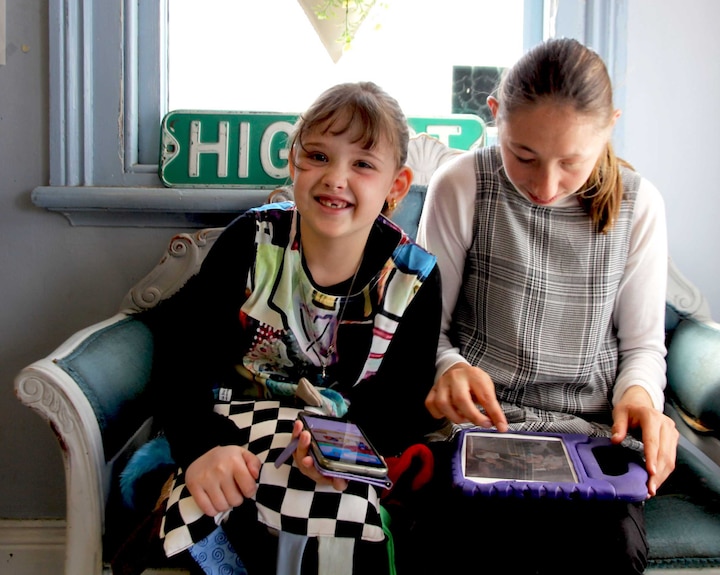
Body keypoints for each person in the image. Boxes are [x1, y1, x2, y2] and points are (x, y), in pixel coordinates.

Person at [138, 82, 442, 574]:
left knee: (343, 524)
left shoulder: (412, 279)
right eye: (318, 156)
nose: (335, 178)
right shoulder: (251, 243)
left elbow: (401, 402)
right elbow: (182, 356)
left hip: (345, 442)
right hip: (235, 425)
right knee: (207, 509)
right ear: (294, 162)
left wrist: (344, 455)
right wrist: (202, 449)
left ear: (397, 186)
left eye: (362, 164)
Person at [408, 38, 679, 574]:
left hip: (590, 440)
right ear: (494, 117)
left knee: (607, 552)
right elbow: (423, 331)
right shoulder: (462, 184)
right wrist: (449, 366)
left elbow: (643, 345)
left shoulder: (639, 204)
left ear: (610, 129)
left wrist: (641, 395)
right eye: (523, 156)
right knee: (453, 541)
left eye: (572, 162)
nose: (545, 185)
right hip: (478, 431)